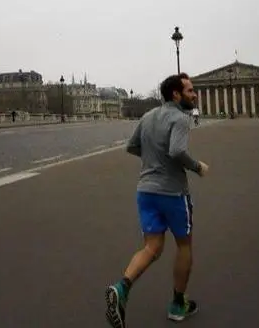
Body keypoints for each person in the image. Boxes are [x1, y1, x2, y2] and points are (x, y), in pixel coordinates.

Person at [105, 73, 209, 327]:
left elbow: (131, 146)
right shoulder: (181, 118)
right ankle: (177, 304)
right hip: (172, 193)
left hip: (145, 191)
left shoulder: (148, 116)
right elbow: (176, 151)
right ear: (176, 94)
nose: (194, 94)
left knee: (152, 247)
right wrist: (197, 167)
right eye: (190, 90)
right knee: (184, 246)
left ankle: (122, 288)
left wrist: (152, 160)